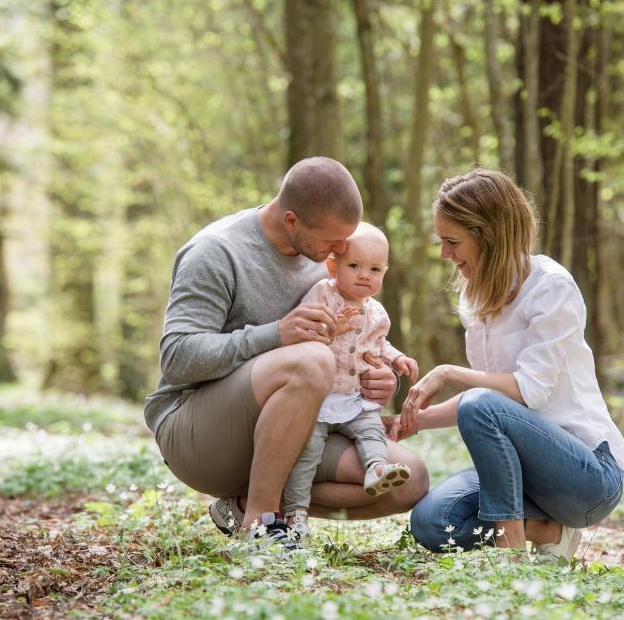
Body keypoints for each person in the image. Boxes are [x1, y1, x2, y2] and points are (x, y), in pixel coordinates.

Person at [144, 157, 428, 547]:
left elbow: (354, 344)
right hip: (198, 433)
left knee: (407, 479)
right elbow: (177, 359)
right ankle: (261, 526)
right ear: (292, 220)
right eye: (332, 242)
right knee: (311, 360)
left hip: (298, 428)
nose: (340, 251)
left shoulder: (326, 261)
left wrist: (379, 379)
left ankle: (246, 503)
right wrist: (276, 334)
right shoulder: (216, 251)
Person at [388, 167, 624, 561]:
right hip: (520, 477)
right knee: (432, 521)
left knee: (478, 402)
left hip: (586, 477)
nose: (444, 254)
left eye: (452, 241)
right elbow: (492, 406)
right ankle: (548, 531)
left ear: (488, 236)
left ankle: (511, 548)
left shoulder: (551, 286)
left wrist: (447, 372)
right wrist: (411, 422)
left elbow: (527, 391)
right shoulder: (475, 298)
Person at [282, 223, 419, 539]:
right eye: (354, 266)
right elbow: (303, 336)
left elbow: (379, 342)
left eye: (375, 269)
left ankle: (376, 469)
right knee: (308, 453)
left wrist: (396, 358)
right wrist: (332, 330)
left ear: (385, 273)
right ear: (333, 266)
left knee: (371, 432)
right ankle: (296, 514)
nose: (364, 275)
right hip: (318, 398)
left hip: (355, 401)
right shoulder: (323, 295)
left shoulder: (377, 312)